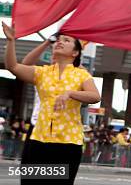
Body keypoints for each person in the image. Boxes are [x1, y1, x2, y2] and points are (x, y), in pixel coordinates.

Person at [3, 22, 100, 184]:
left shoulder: (82, 75)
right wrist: (11, 41)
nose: (60, 42)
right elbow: (13, 66)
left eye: (67, 40)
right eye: (59, 40)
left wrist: (70, 93)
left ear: (75, 52)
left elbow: (95, 96)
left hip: (67, 143)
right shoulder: (42, 73)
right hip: (38, 141)